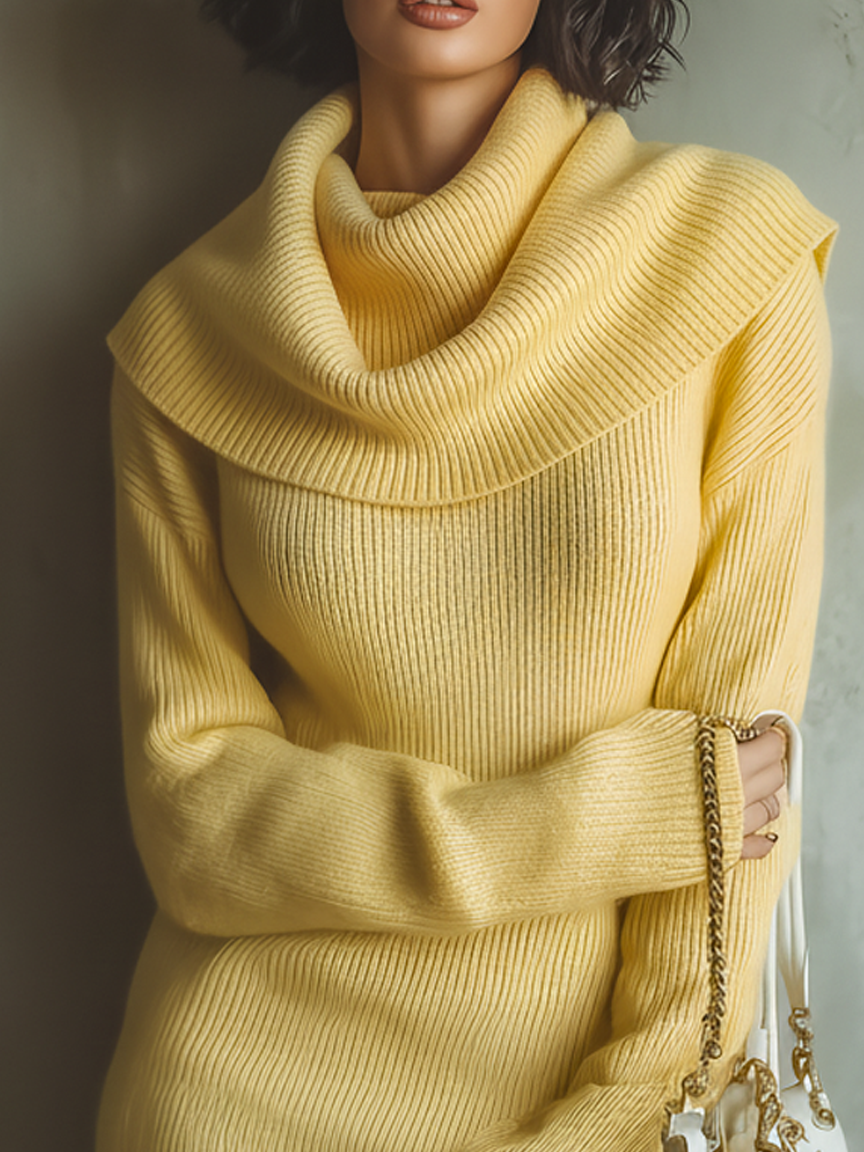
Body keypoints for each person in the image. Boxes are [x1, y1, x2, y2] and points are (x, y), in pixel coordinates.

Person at [96, 0, 837, 1148]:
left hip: (590, 1104)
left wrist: (616, 1120)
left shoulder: (727, 264)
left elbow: (737, 823)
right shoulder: (189, 337)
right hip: (222, 1093)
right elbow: (190, 818)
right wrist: (586, 820)